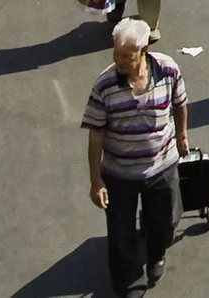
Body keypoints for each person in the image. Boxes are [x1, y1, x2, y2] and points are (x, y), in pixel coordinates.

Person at [82, 17, 190, 298]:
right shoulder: (104, 85)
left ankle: (156, 255)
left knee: (166, 220)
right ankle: (129, 282)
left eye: (126, 56)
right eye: (115, 54)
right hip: (119, 173)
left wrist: (182, 135)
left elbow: (180, 103)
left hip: (162, 164)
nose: (119, 60)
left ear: (143, 52)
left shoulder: (167, 69)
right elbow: (95, 136)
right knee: (121, 234)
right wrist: (96, 181)